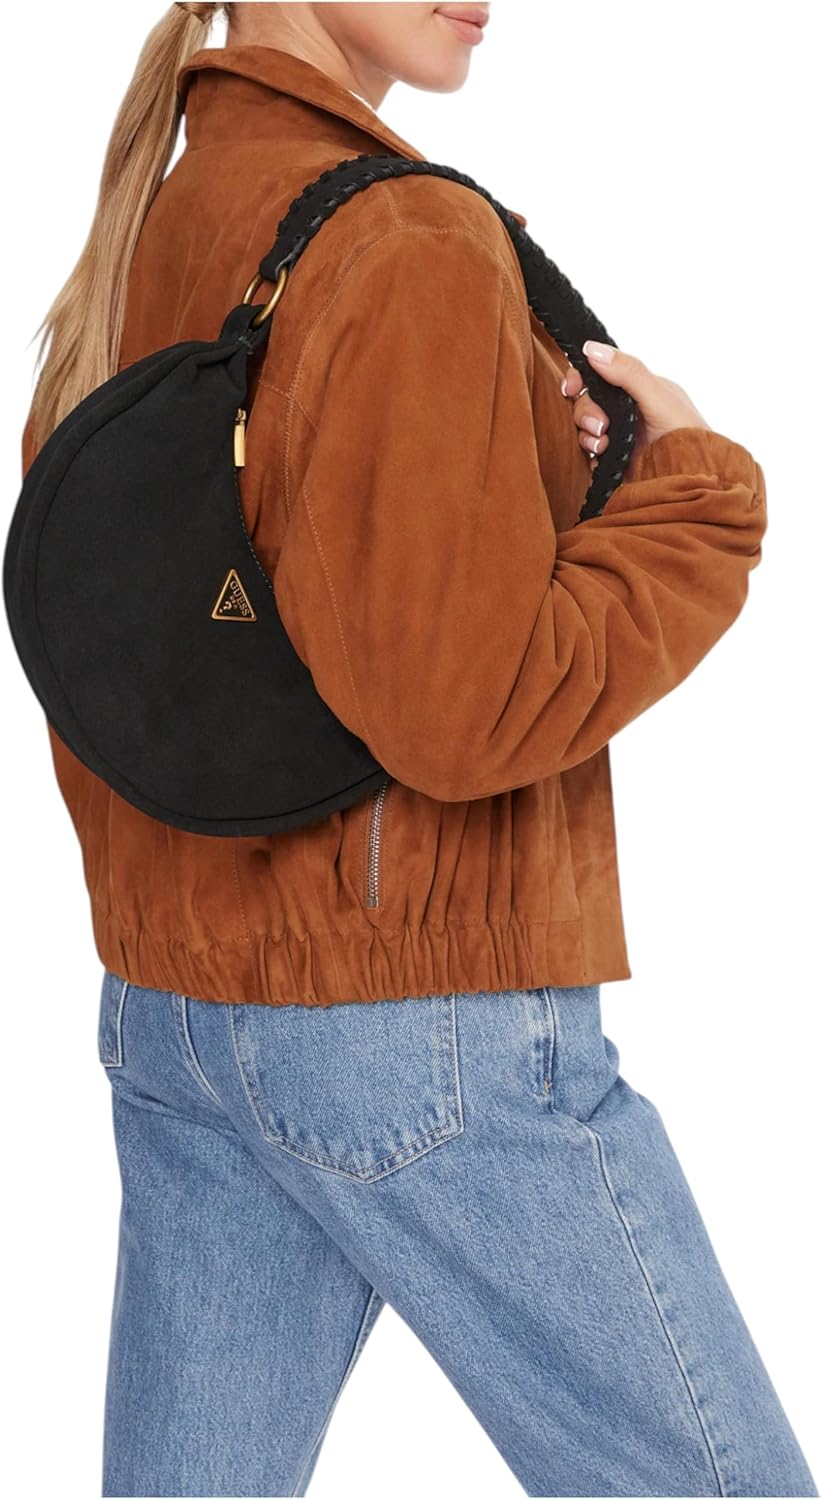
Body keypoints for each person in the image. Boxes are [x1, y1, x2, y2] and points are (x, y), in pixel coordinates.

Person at [19, 4, 817, 1497]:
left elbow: (206, 606)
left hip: (183, 1009)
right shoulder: (408, 238)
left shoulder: (170, 207)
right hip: (407, 1019)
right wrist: (694, 508)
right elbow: (465, 712)